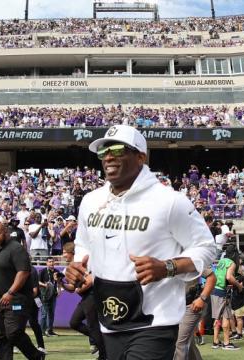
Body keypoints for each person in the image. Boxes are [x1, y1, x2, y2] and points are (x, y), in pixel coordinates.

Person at [65, 125, 216, 360]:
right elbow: (83, 244)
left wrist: (168, 267)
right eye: (104, 152)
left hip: (155, 322)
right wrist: (78, 266)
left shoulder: (169, 201)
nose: (109, 156)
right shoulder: (90, 201)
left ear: (140, 157)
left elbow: (207, 247)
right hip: (109, 319)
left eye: (118, 149)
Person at [0, 222, 45, 360]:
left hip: (16, 298)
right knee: (1, 337)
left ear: (6, 232)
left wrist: (10, 292)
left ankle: (36, 356)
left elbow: (23, 273)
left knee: (13, 332)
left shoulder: (16, 249)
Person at [62, 242, 105, 360]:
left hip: (93, 295)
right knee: (74, 322)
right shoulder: (69, 267)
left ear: (72, 253)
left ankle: (104, 353)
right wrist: (61, 283)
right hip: (86, 297)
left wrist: (78, 288)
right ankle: (103, 341)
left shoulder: (82, 262)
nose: (63, 255)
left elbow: (88, 282)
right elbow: (72, 288)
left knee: (93, 326)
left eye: (65, 252)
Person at [174, 266, 215, 360]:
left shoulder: (191, 257)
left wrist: (202, 298)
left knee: (179, 343)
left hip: (191, 305)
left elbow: (211, 277)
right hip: (174, 307)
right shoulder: (164, 257)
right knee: (188, 342)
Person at [211, 245, 243, 350]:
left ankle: (215, 342)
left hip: (214, 290)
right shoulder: (232, 263)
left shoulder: (221, 260)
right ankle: (226, 343)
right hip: (222, 292)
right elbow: (229, 277)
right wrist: (239, 286)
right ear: (235, 254)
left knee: (217, 317)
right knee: (226, 316)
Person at [39, 257, 62, 337]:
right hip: (44, 295)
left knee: (51, 314)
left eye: (52, 262)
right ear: (47, 263)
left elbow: (59, 282)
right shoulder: (43, 271)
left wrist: (59, 290)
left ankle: (50, 331)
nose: (51, 263)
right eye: (49, 262)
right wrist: (45, 285)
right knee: (44, 314)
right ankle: (42, 332)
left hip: (53, 295)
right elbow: (38, 281)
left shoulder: (57, 271)